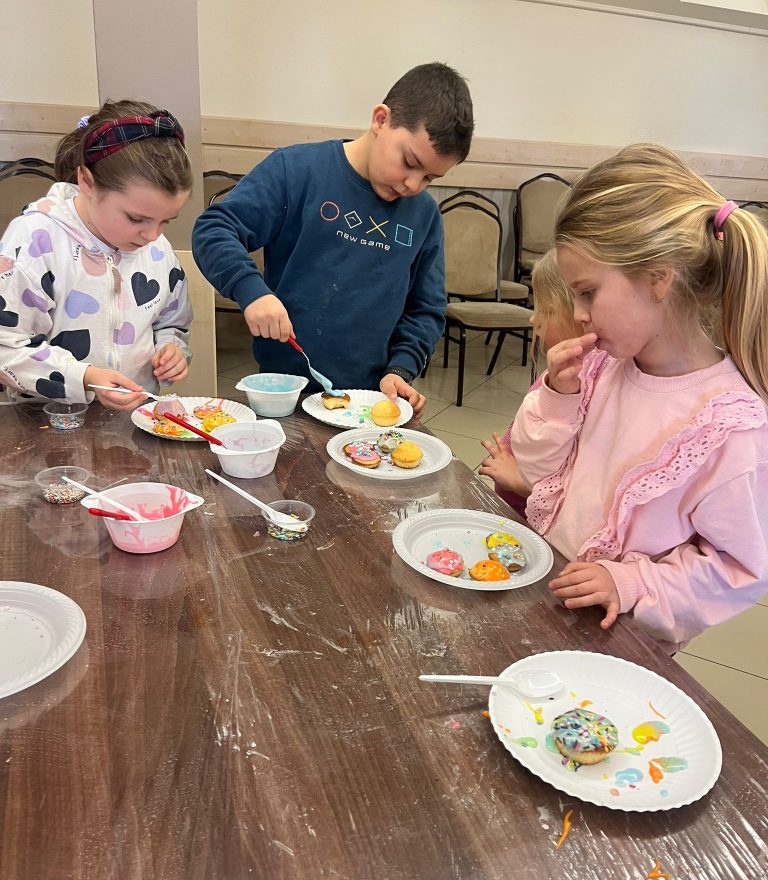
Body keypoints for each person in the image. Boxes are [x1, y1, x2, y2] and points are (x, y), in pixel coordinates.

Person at [509, 143, 768, 650]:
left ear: (658, 279)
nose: (578, 314)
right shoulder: (602, 369)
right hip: (552, 596)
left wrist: (630, 583)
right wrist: (559, 396)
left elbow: (738, 571)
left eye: (588, 292)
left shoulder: (729, 426)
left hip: (622, 639)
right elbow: (536, 468)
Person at [191, 63, 474, 416]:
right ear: (381, 120)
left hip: (369, 400)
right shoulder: (297, 170)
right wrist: (251, 290)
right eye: (409, 162)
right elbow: (214, 228)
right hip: (285, 393)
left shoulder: (424, 215)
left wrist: (401, 368)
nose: (413, 185)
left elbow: (426, 309)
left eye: (430, 178)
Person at [0, 100, 193, 411]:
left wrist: (171, 348)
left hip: (135, 416)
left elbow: (172, 322)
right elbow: (6, 345)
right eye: (136, 218)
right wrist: (85, 378)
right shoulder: (36, 240)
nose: (152, 235)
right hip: (48, 419)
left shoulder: (157, 247)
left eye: (166, 221)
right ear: (87, 182)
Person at [479, 249, 579, 518]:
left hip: (537, 523)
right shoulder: (559, 374)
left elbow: (572, 488)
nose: (534, 319)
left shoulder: (583, 388)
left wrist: (520, 482)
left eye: (546, 310)